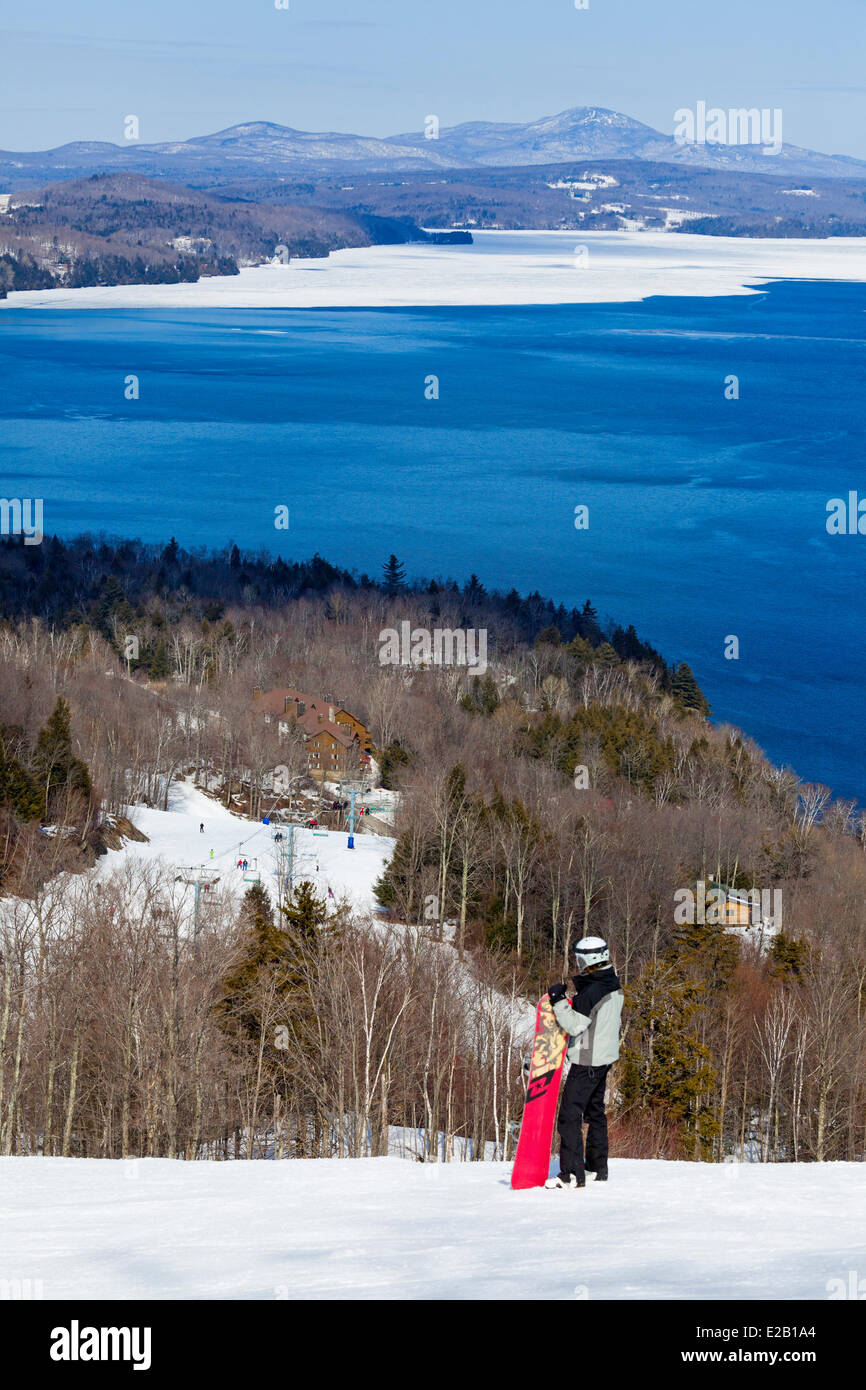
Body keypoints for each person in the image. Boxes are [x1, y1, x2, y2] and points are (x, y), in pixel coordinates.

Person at [545, 936, 624, 1190]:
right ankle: (596, 1168)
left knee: (570, 1115)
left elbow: (575, 1024)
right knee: (595, 1112)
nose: (577, 964)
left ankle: (570, 1174)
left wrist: (557, 1000)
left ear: (590, 959)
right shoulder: (611, 981)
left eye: (579, 959)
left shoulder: (593, 990)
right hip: (604, 1057)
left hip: (587, 1060)